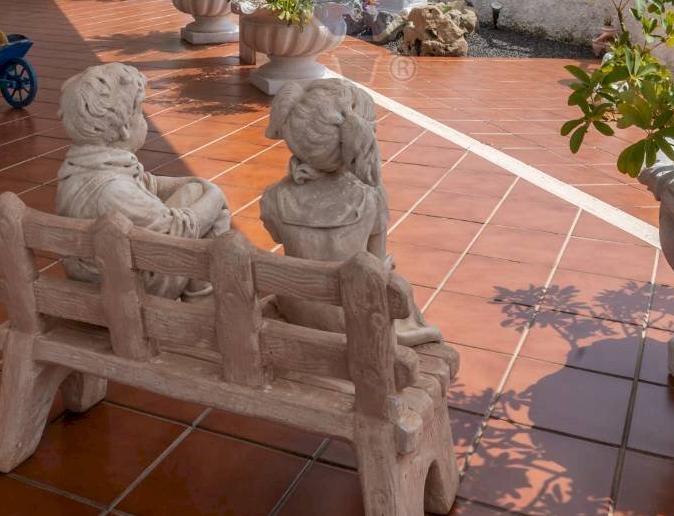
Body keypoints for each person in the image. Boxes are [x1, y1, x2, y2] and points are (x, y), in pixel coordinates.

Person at [260, 78, 441, 346]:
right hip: (356, 323)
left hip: (299, 313)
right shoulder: (371, 198)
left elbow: (279, 238)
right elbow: (376, 268)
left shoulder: (275, 199)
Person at [54, 62, 229, 298]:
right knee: (208, 212)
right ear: (124, 127)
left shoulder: (82, 168)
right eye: (140, 113)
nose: (145, 120)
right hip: (129, 288)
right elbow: (177, 231)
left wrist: (196, 185)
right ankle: (203, 301)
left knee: (196, 192)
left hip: (103, 275)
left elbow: (148, 184)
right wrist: (214, 196)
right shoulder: (112, 190)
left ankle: (203, 297)